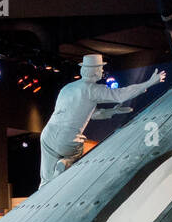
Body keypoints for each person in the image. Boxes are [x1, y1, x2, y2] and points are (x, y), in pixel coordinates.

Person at [38, 54, 165, 185]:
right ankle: (65, 162)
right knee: (78, 150)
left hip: (48, 134)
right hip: (67, 138)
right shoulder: (92, 89)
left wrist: (113, 111)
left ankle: (42, 193)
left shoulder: (67, 88)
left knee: (46, 179)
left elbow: (90, 114)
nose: (103, 71)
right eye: (101, 68)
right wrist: (149, 83)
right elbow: (120, 95)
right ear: (95, 71)